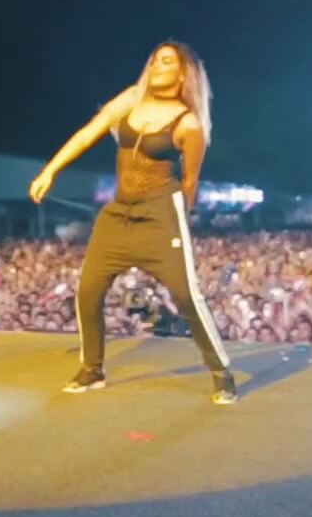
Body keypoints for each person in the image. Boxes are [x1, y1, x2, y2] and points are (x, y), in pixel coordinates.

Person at [29, 40, 238, 404]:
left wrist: (179, 224)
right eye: (155, 60)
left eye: (167, 61)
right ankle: (92, 369)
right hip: (118, 213)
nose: (157, 66)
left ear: (183, 73)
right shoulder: (131, 98)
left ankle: (221, 372)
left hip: (160, 214)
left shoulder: (188, 123)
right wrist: (50, 171)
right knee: (88, 291)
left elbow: (190, 181)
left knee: (186, 296)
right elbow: (89, 132)